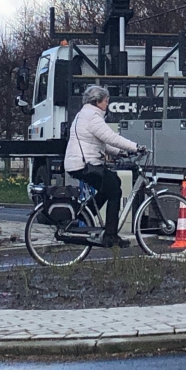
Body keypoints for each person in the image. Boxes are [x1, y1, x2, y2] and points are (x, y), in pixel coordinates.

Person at [64, 85, 143, 248]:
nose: (107, 104)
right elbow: (111, 137)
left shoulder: (84, 115)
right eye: (106, 101)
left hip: (79, 163)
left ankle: (84, 215)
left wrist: (121, 153)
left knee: (112, 183)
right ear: (97, 101)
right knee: (114, 188)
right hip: (85, 164)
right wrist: (135, 147)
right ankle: (110, 235)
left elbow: (101, 142)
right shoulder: (92, 116)